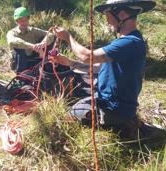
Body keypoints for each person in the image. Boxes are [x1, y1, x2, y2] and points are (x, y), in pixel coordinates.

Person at [50, 0, 156, 138]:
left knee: (68, 117)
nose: (107, 21)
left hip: (114, 108)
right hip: (110, 102)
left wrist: (68, 37)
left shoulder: (130, 42)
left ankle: (120, 125)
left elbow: (87, 56)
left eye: (108, 16)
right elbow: (97, 67)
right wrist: (69, 62)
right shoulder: (126, 42)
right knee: (78, 99)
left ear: (122, 14)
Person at [6, 7, 54, 73]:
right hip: (18, 63)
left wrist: (42, 44)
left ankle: (48, 68)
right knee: (18, 50)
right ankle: (21, 76)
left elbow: (50, 34)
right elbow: (13, 41)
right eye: (21, 20)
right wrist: (32, 46)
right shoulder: (11, 32)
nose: (24, 22)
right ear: (17, 21)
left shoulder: (32, 30)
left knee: (47, 40)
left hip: (32, 59)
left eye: (26, 19)